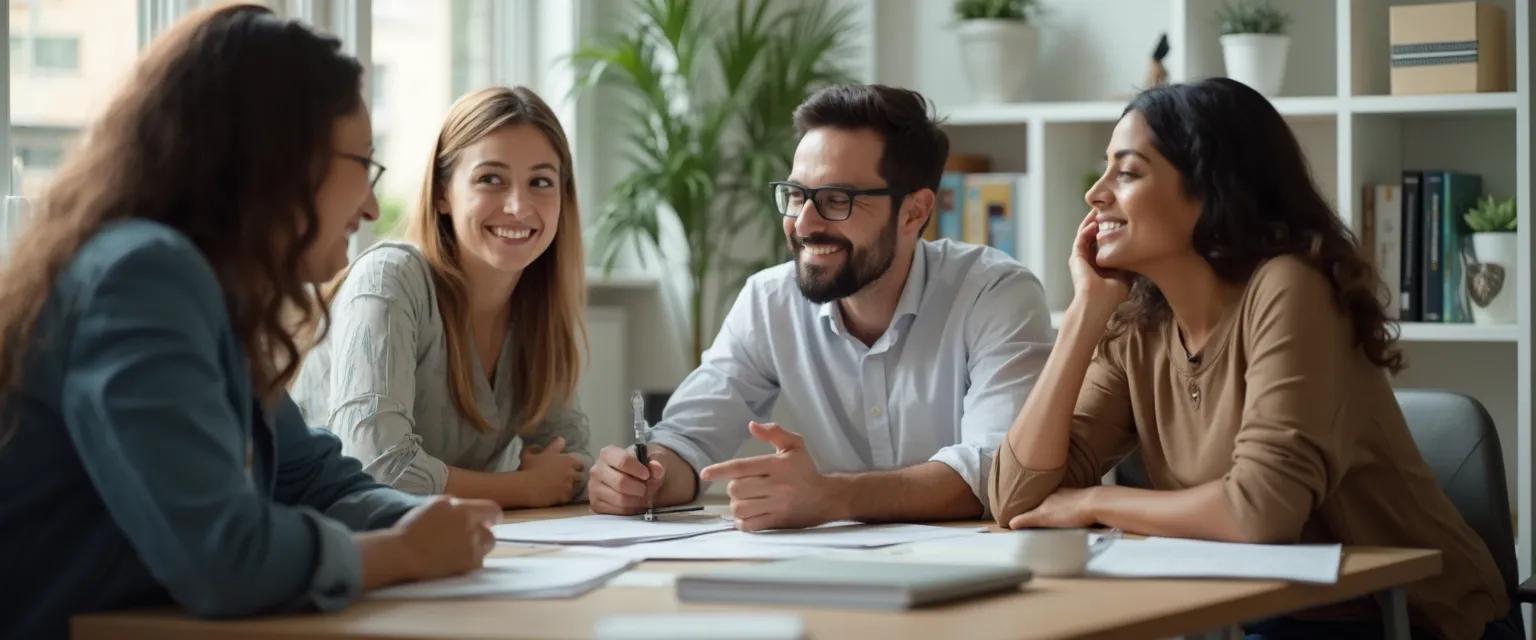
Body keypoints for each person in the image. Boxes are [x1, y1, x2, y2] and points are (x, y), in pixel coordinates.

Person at [0, 6, 499, 637]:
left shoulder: (211, 295)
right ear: (280, 158)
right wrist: (405, 552)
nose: (372, 205)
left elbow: (314, 479)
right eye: (364, 166)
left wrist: (435, 522)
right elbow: (224, 557)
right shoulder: (144, 279)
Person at [989, 78, 1510, 639]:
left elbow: (1258, 513)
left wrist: (1097, 500)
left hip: (1408, 621)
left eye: (1128, 172)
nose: (1096, 194)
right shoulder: (1139, 324)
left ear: (1211, 190)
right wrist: (1084, 315)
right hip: (1260, 616)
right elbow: (1017, 499)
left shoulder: (1290, 288)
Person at [586, 84, 1053, 531]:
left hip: (978, 577)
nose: (803, 223)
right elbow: (688, 438)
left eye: (836, 200)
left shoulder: (994, 294)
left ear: (913, 212)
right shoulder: (769, 301)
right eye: (795, 195)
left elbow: (994, 470)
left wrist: (831, 496)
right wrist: (644, 479)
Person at [292, 86, 589, 509]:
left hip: (439, 546)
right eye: (491, 179)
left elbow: (567, 462)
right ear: (442, 194)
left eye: (541, 182)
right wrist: (523, 488)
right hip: (329, 541)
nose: (520, 206)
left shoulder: (538, 309)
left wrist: (619, 478)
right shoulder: (389, 280)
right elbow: (373, 467)